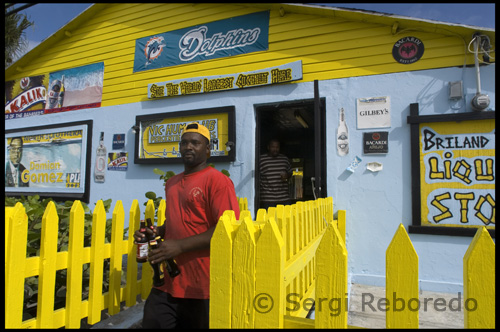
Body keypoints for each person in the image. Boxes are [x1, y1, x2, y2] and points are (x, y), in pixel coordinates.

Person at [135, 122, 240, 329]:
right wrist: (157, 231)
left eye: (195, 143)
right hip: (168, 281)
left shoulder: (218, 181)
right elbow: (176, 221)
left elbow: (226, 229)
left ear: (208, 150)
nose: (188, 147)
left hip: (201, 285)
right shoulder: (172, 183)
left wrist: (180, 246)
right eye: (184, 143)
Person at [259, 139, 292, 209]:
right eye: (273, 147)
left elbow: (290, 172)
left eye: (277, 147)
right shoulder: (261, 160)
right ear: (268, 147)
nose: (275, 149)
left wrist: (287, 175)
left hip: (284, 198)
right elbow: (256, 177)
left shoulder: (284, 159)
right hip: (268, 199)